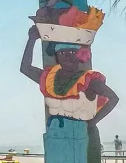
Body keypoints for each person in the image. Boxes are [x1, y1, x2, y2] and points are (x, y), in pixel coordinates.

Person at [21, 25, 119, 163]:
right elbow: (25, 68)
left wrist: (92, 122)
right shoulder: (49, 78)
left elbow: (113, 98)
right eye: (62, 53)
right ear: (57, 56)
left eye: (72, 53)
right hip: (56, 133)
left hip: (82, 134)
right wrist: (31, 40)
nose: (67, 56)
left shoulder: (88, 80)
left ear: (79, 56)